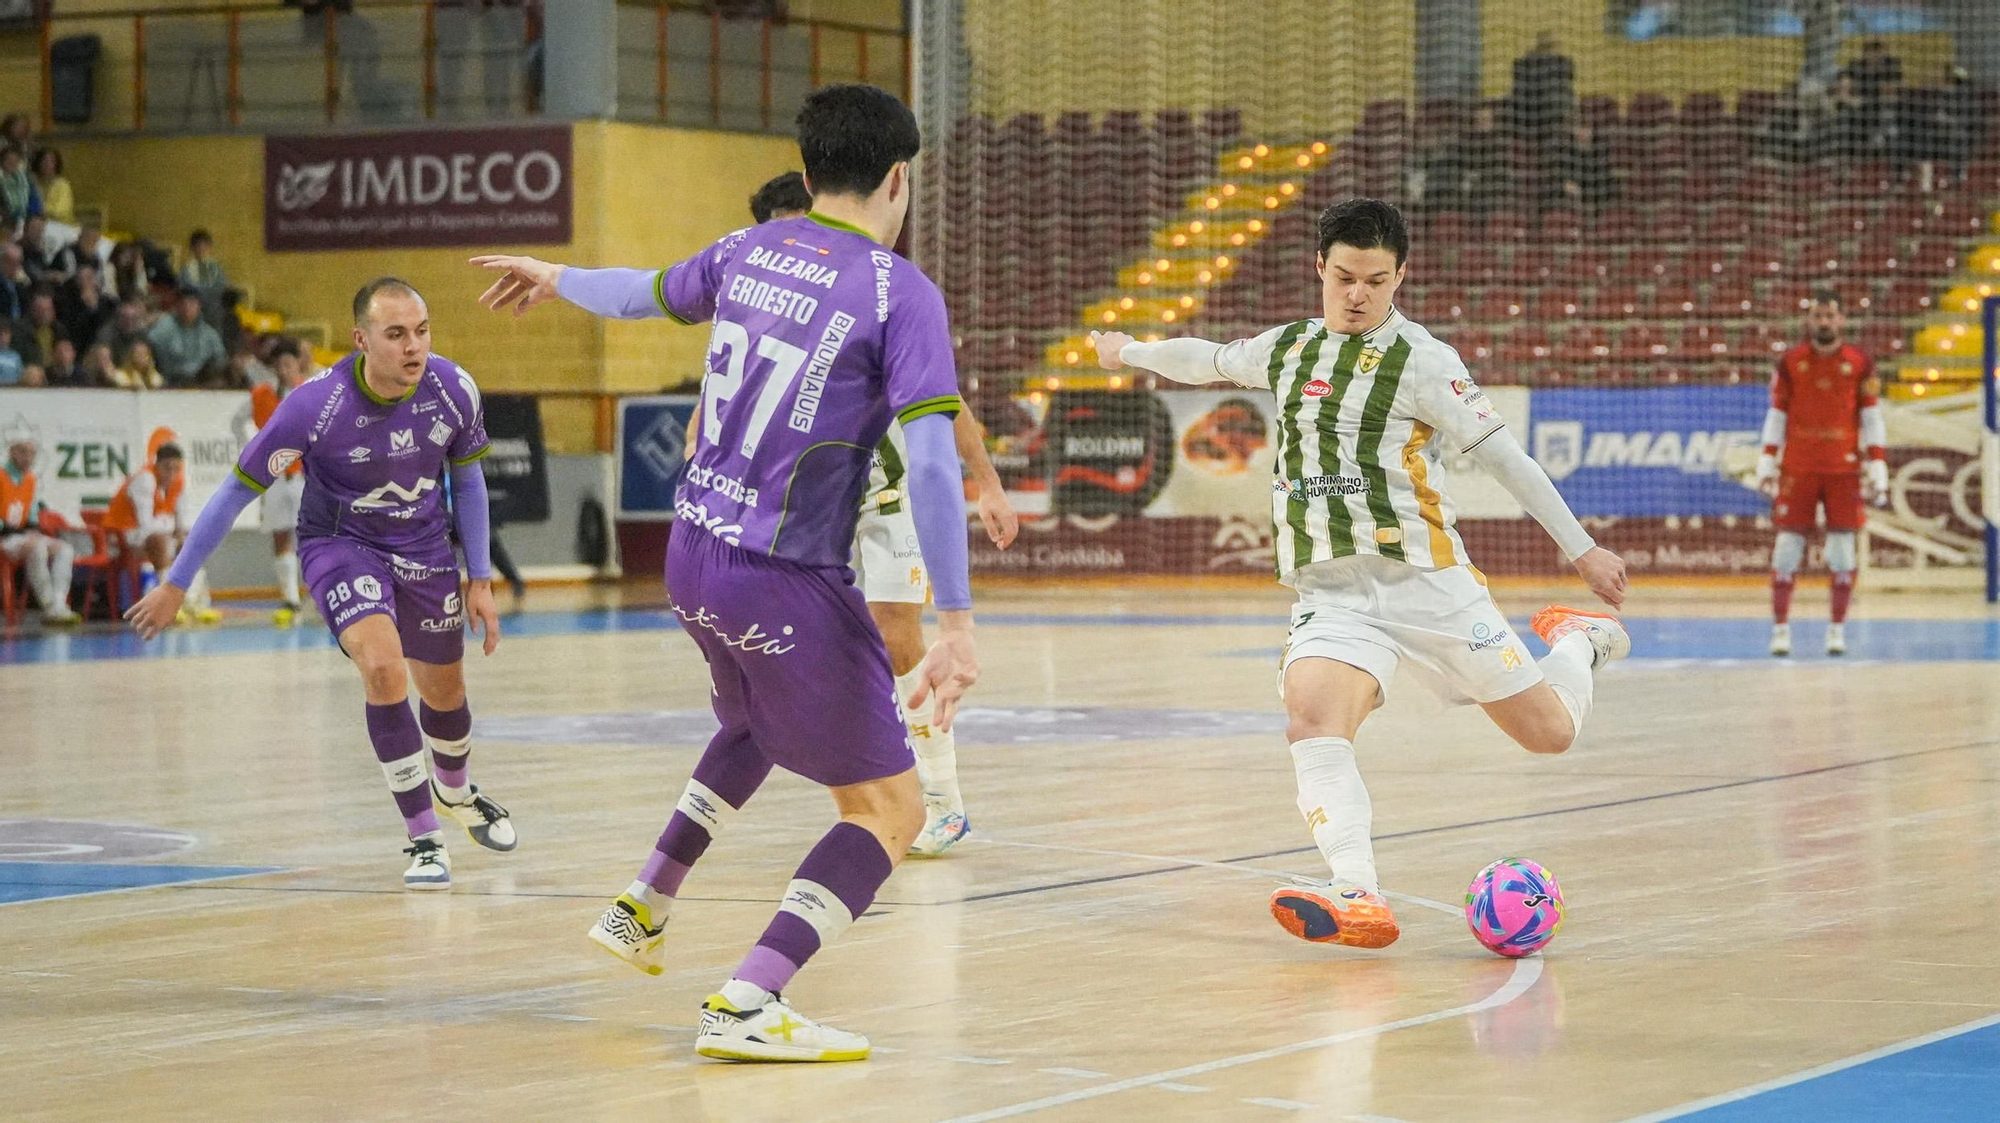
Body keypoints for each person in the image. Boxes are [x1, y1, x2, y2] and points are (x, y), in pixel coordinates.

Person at [471, 83, 978, 1062]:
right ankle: (750, 997)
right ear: (897, 178)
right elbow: (928, 464)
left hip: (690, 554)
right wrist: (954, 621)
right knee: (891, 809)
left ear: (807, 169)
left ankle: (643, 903)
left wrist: (556, 274)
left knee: (750, 723)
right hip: (783, 575)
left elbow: (639, 292)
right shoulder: (898, 291)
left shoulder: (750, 250)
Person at [1093, 198, 1631, 950]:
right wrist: (1130, 353)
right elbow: (1206, 358)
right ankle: (1358, 892)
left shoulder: (1426, 362)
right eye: (1345, 277)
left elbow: (1507, 460)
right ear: (1320, 267)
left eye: (1376, 281)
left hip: (1428, 584)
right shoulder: (1289, 348)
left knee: (1550, 735)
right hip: (1332, 592)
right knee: (1312, 718)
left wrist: (1582, 550)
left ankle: (1577, 641)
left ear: (1400, 276)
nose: (1357, 295)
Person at [125, 278, 513, 889]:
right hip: (341, 546)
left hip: (424, 548)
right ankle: (424, 839)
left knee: (446, 695)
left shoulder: (453, 388)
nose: (413, 346)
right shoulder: (313, 406)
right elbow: (235, 492)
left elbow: (467, 481)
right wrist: (177, 582)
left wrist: (481, 579)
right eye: (395, 334)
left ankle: (456, 790)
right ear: (361, 340)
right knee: (383, 669)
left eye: (421, 331)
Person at [684, 169, 1018, 855]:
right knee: (813, 646)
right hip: (807, 508)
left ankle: (943, 799)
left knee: (896, 630)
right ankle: (871, 783)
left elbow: (949, 405)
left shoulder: (878, 295)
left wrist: (986, 481)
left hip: (888, 497)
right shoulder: (763, 301)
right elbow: (713, 410)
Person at [1752, 290, 1884, 657]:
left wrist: (1878, 462)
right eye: (1818, 316)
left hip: (1843, 469)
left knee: (1842, 552)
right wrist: (1767, 460)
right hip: (1798, 468)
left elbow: (1871, 416)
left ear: (1841, 320)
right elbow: (1777, 414)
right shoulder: (1791, 362)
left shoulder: (1859, 363)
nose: (1824, 322)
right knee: (1786, 549)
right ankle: (1781, 630)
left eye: (1830, 315)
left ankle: (1837, 631)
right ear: (1809, 320)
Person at [104, 442, 217, 622]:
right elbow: (145, 525)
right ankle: (168, 605)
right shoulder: (145, 479)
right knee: (160, 541)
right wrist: (170, 529)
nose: (171, 473)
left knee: (190, 543)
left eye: (176, 468)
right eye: (167, 468)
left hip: (154, 534)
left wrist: (180, 536)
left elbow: (179, 526)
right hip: (124, 536)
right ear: (157, 465)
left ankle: (195, 603)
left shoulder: (179, 483)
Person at [243, 337, 313, 626]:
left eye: (289, 364)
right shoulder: (262, 394)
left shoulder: (311, 392)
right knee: (280, 536)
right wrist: (251, 448)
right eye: (279, 365)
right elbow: (237, 421)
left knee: (316, 537)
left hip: (306, 477)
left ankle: (323, 596)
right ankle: (290, 599)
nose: (284, 370)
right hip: (274, 477)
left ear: (298, 364)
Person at [1, 436, 80, 624]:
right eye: (23, 452)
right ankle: (48, 605)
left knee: (64, 549)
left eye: (32, 453)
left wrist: (33, 529)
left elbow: (32, 515)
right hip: (5, 537)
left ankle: (59, 603)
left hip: (21, 536)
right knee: (36, 548)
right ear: (12, 452)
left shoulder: (30, 480)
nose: (28, 458)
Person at [146, 287, 228, 386]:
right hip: (169, 383)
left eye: (192, 303)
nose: (187, 307)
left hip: (202, 384)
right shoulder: (164, 327)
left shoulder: (209, 334)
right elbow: (148, 348)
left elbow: (220, 359)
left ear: (199, 306)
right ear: (177, 306)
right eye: (184, 303)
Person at [0, 146, 39, 230]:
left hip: (26, 219)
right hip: (5, 221)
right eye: (9, 160)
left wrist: (30, 217)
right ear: (2, 161)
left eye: (15, 160)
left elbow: (34, 201)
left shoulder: (27, 179)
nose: (12, 163)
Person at [31, 148, 72, 226]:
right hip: (37, 225)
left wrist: (41, 209)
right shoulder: (33, 184)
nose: (47, 164)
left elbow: (61, 211)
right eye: (44, 161)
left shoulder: (62, 185)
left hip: (61, 226)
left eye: (51, 161)